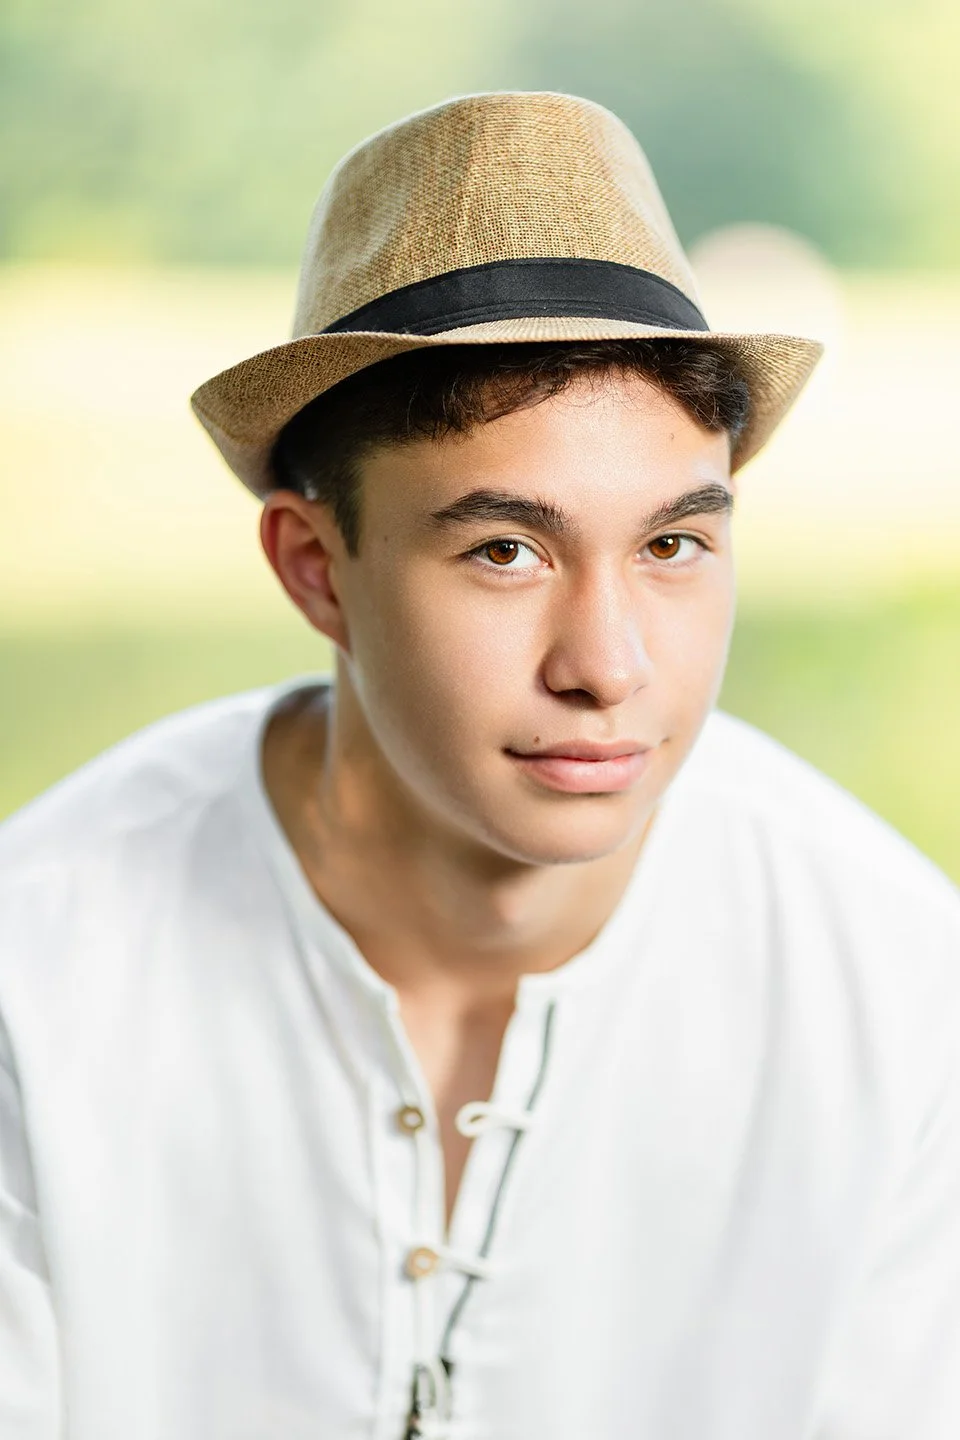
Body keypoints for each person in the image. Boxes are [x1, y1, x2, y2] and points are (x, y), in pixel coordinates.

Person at [1, 90, 958, 1440]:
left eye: (673, 545)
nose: (609, 663)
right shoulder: (38, 971)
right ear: (317, 569)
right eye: (505, 550)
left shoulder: (902, 994)